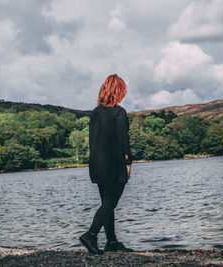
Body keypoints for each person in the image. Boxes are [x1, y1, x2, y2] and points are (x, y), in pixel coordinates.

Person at [79, 74, 134, 254]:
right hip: (114, 164)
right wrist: (128, 163)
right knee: (110, 203)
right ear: (118, 91)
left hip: (96, 165)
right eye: (123, 91)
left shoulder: (94, 113)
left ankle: (111, 242)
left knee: (106, 203)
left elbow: (94, 141)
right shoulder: (119, 112)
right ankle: (91, 235)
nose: (124, 95)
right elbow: (123, 141)